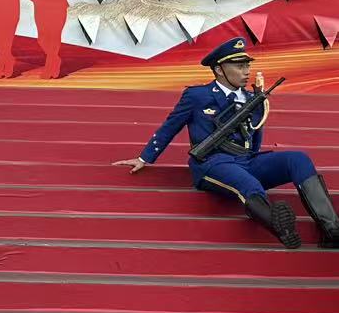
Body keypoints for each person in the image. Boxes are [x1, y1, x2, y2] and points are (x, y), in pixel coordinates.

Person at [114, 37, 339, 249]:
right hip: (213, 163)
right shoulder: (198, 95)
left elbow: (255, 135)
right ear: (219, 70)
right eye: (239, 66)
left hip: (246, 160)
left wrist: (257, 109)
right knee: (249, 184)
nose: (246, 71)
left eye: (247, 65)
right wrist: (145, 157)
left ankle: (332, 231)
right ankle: (280, 228)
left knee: (298, 159)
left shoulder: (251, 98)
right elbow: (171, 125)